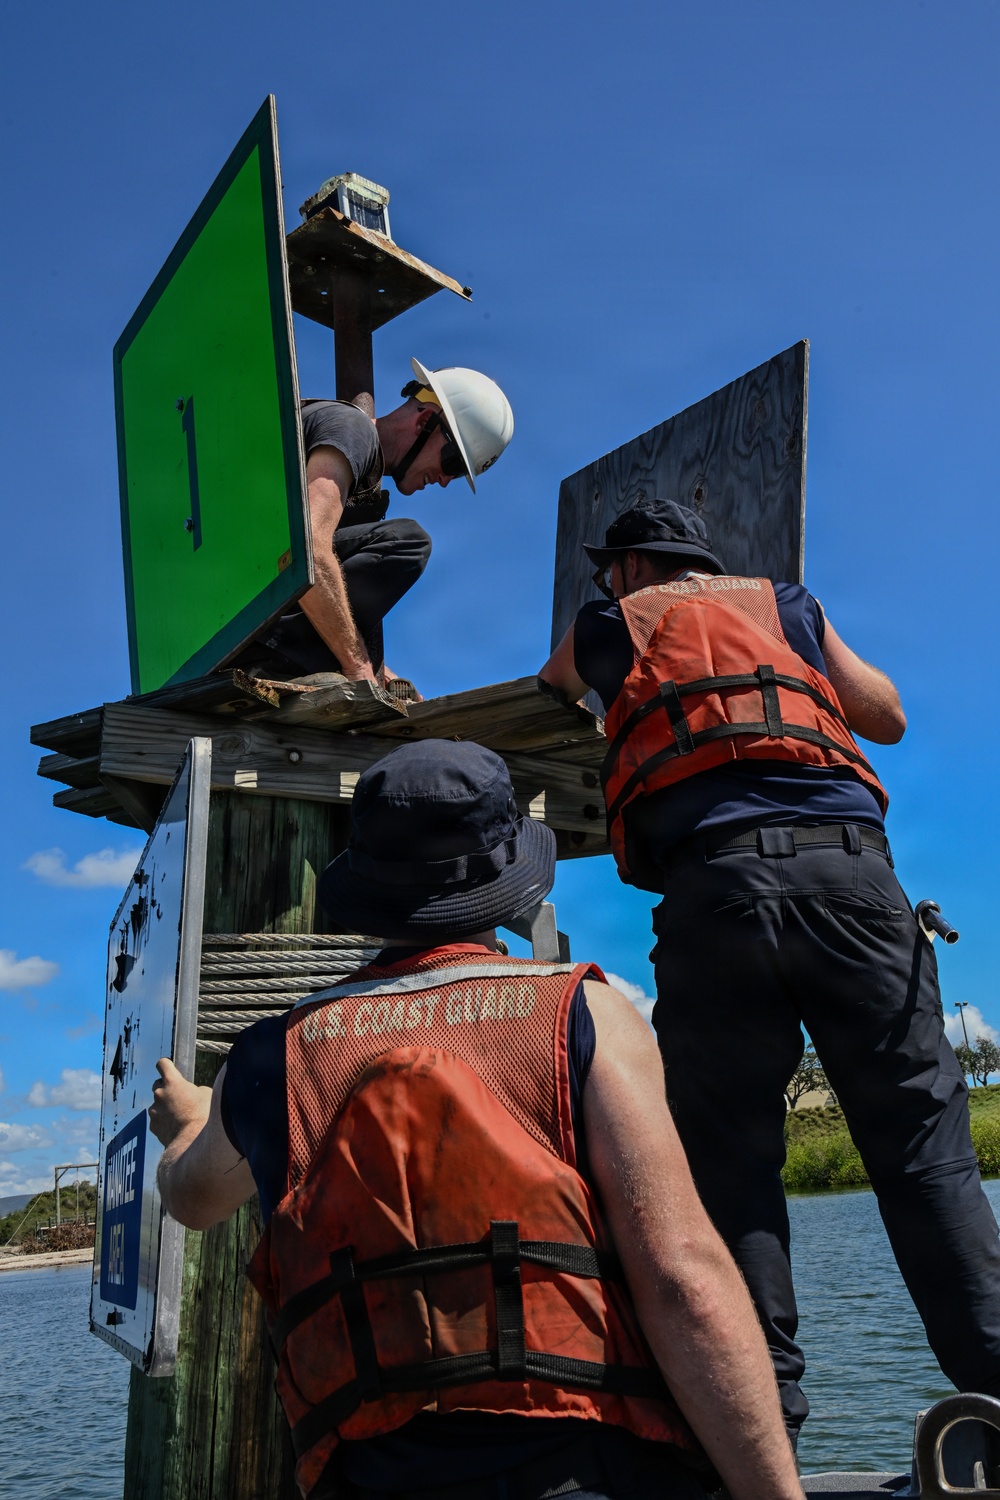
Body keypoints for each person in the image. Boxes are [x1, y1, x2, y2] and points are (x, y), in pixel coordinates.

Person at [150, 739, 804, 1500]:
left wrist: (194, 1121)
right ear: (510, 882)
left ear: (365, 883)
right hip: (587, 1472)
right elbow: (683, 1274)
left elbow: (189, 1198)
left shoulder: (270, 1058)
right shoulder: (579, 1014)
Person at [538, 498, 1000, 1444]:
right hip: (854, 880)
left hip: (716, 897)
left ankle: (761, 1429)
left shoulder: (607, 624)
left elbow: (550, 692)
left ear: (629, 568)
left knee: (731, 1173)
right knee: (922, 1153)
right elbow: (888, 716)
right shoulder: (788, 604)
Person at [234, 359, 513, 690]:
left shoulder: (363, 480)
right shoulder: (354, 430)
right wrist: (358, 668)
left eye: (458, 475)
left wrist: (381, 672)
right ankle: (279, 660)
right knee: (408, 542)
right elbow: (307, 547)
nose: (444, 480)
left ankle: (297, 657)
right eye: (451, 463)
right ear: (425, 420)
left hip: (238, 603)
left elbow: (328, 579)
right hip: (243, 612)